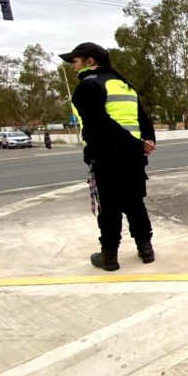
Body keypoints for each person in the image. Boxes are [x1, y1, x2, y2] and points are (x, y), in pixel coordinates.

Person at [60, 42, 156, 271]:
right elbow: (143, 118)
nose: (72, 67)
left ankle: (109, 257)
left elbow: (99, 124)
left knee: (109, 208)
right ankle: (146, 249)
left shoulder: (89, 86)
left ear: (89, 61)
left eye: (74, 62)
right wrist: (148, 141)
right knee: (135, 203)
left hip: (107, 155)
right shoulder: (123, 86)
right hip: (133, 157)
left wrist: (135, 144)